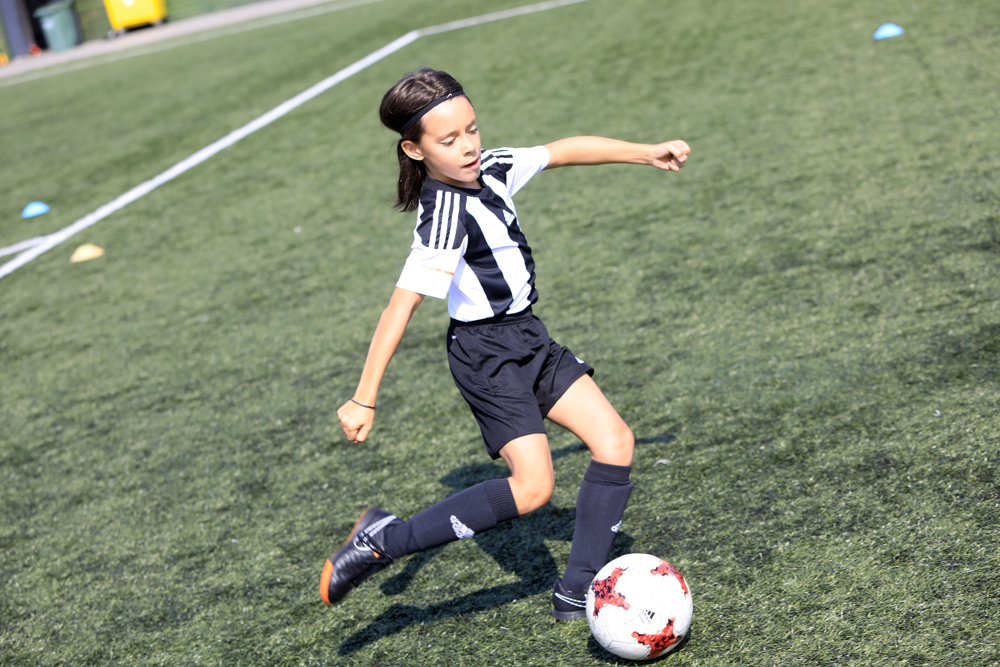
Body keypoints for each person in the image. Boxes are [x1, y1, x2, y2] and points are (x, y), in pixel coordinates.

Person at [320, 68, 690, 620]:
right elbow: (401, 306)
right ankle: (383, 541)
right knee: (534, 488)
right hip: (485, 356)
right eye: (449, 140)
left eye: (471, 129)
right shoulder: (444, 216)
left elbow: (562, 150)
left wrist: (645, 152)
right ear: (414, 150)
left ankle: (576, 592)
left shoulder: (491, 168)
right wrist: (364, 397)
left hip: (528, 336)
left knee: (615, 442)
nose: (469, 146)